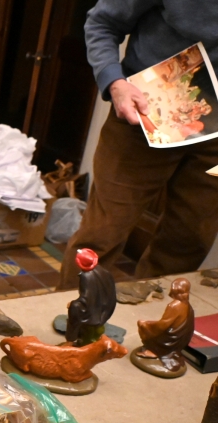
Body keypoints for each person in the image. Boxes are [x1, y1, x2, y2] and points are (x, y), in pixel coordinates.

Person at [57, 0, 218, 289]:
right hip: (143, 117)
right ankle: (74, 325)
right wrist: (114, 83)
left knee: (190, 241)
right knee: (100, 238)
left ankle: (154, 327)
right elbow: (102, 23)